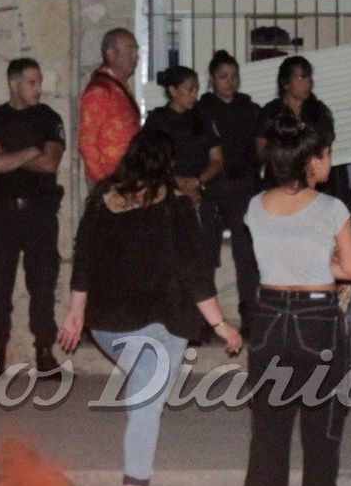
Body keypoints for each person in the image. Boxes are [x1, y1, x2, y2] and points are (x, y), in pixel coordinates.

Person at [59, 130, 242, 486]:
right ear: (168, 164)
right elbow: (194, 272)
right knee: (147, 400)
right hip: (163, 321)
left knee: (144, 392)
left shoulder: (103, 198)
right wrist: (222, 325)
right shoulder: (175, 206)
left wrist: (76, 312)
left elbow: (84, 258)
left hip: (109, 323)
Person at [241, 115, 351, 486]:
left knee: (269, 431)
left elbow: (266, 257)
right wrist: (318, 265)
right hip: (316, 319)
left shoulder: (255, 206)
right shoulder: (331, 209)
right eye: (326, 153)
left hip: (270, 316)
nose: (330, 161)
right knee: (321, 431)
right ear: (311, 161)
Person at [0, 57, 67, 377]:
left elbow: (50, 164)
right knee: (0, 284)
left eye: (39, 81)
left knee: (42, 283)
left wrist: (11, 156)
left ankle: (44, 352)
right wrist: (30, 151)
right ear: (15, 83)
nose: (38, 88)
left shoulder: (49, 118)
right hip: (2, 213)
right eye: (32, 82)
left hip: (40, 212)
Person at [196, 50, 263, 333]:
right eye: (223, 77)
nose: (230, 82)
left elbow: (259, 150)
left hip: (243, 187)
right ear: (212, 80)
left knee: (245, 253)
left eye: (234, 76)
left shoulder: (250, 110)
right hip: (211, 187)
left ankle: (249, 313)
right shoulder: (201, 111)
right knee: (206, 252)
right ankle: (203, 318)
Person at [143, 64, 223, 212]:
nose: (195, 95)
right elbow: (149, 162)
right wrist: (178, 182)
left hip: (202, 188)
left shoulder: (203, 117)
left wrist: (197, 182)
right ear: (173, 91)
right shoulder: (157, 121)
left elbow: (217, 160)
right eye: (190, 89)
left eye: (197, 89)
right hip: (167, 191)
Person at [77, 27, 141, 184]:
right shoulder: (99, 91)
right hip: (110, 180)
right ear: (111, 54)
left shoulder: (119, 87)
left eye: (136, 51)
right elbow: (87, 143)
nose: (135, 56)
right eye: (130, 50)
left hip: (127, 177)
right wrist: (103, 184)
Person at [256, 55, 335, 161]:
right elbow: (261, 152)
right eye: (301, 78)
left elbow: (325, 145)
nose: (307, 83)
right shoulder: (270, 111)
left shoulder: (319, 110)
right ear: (285, 83)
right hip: (280, 173)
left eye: (309, 77)